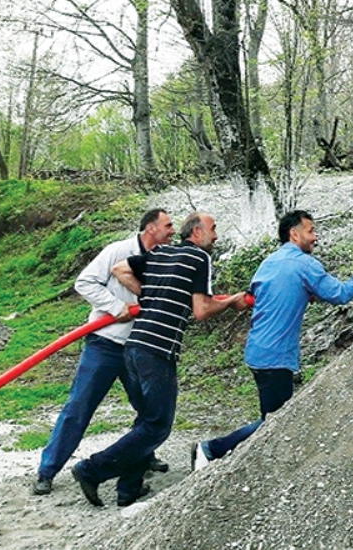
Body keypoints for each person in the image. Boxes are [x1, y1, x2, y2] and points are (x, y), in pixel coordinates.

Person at [70, 211, 247, 507]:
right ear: (196, 233)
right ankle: (91, 469)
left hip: (134, 346)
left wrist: (149, 296)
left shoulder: (161, 251)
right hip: (157, 350)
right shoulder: (200, 258)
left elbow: (120, 269)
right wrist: (232, 302)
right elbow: (202, 310)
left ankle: (128, 489)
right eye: (212, 229)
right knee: (157, 425)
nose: (216, 235)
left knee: (146, 420)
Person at [190, 209, 353, 469]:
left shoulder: (269, 262)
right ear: (294, 234)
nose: (315, 237)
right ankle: (212, 449)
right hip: (275, 356)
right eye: (311, 231)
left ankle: (251, 459)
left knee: (275, 418)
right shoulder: (304, 264)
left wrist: (304, 293)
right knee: (276, 422)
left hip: (258, 350)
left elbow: (265, 292)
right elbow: (338, 293)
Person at [32, 209, 175, 497]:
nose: (173, 230)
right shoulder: (118, 250)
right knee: (79, 407)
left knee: (148, 409)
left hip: (140, 347)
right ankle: (47, 471)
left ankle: (142, 456)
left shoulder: (164, 257)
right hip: (105, 343)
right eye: (168, 225)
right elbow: (84, 282)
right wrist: (113, 307)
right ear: (150, 228)